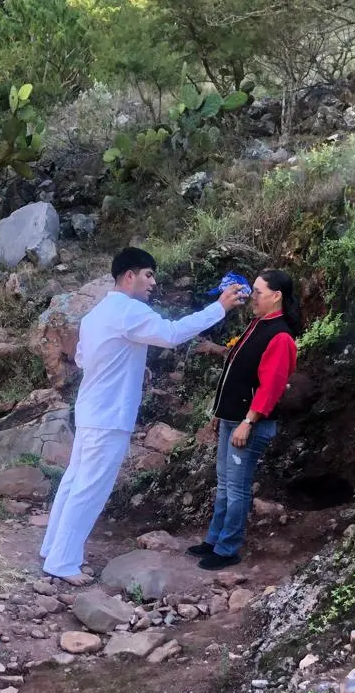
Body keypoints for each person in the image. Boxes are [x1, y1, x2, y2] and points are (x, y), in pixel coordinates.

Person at [40, 248, 246, 584]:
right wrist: (219, 308)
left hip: (93, 409)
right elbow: (171, 334)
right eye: (148, 274)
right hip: (109, 414)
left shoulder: (97, 314)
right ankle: (62, 562)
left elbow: (81, 358)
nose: (153, 282)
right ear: (129, 276)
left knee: (75, 481)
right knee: (90, 487)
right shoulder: (127, 309)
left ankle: (55, 550)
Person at [189, 269, 301, 570]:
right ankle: (214, 539)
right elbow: (234, 373)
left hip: (248, 424)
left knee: (237, 488)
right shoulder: (258, 324)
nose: (252, 297)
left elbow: (272, 386)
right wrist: (219, 414)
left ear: (276, 296)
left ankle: (228, 549)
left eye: (258, 292)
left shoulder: (280, 336)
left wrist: (248, 422)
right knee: (225, 483)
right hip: (232, 418)